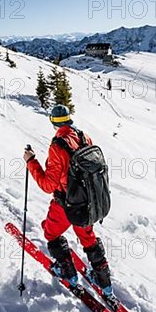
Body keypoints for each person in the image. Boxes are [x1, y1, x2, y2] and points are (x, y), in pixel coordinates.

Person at [23, 104, 114, 298]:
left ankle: (68, 274)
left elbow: (48, 185)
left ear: (53, 122)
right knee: (88, 237)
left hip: (67, 203)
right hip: (89, 201)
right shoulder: (84, 137)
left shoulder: (58, 146)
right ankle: (104, 283)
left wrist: (31, 162)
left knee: (51, 233)